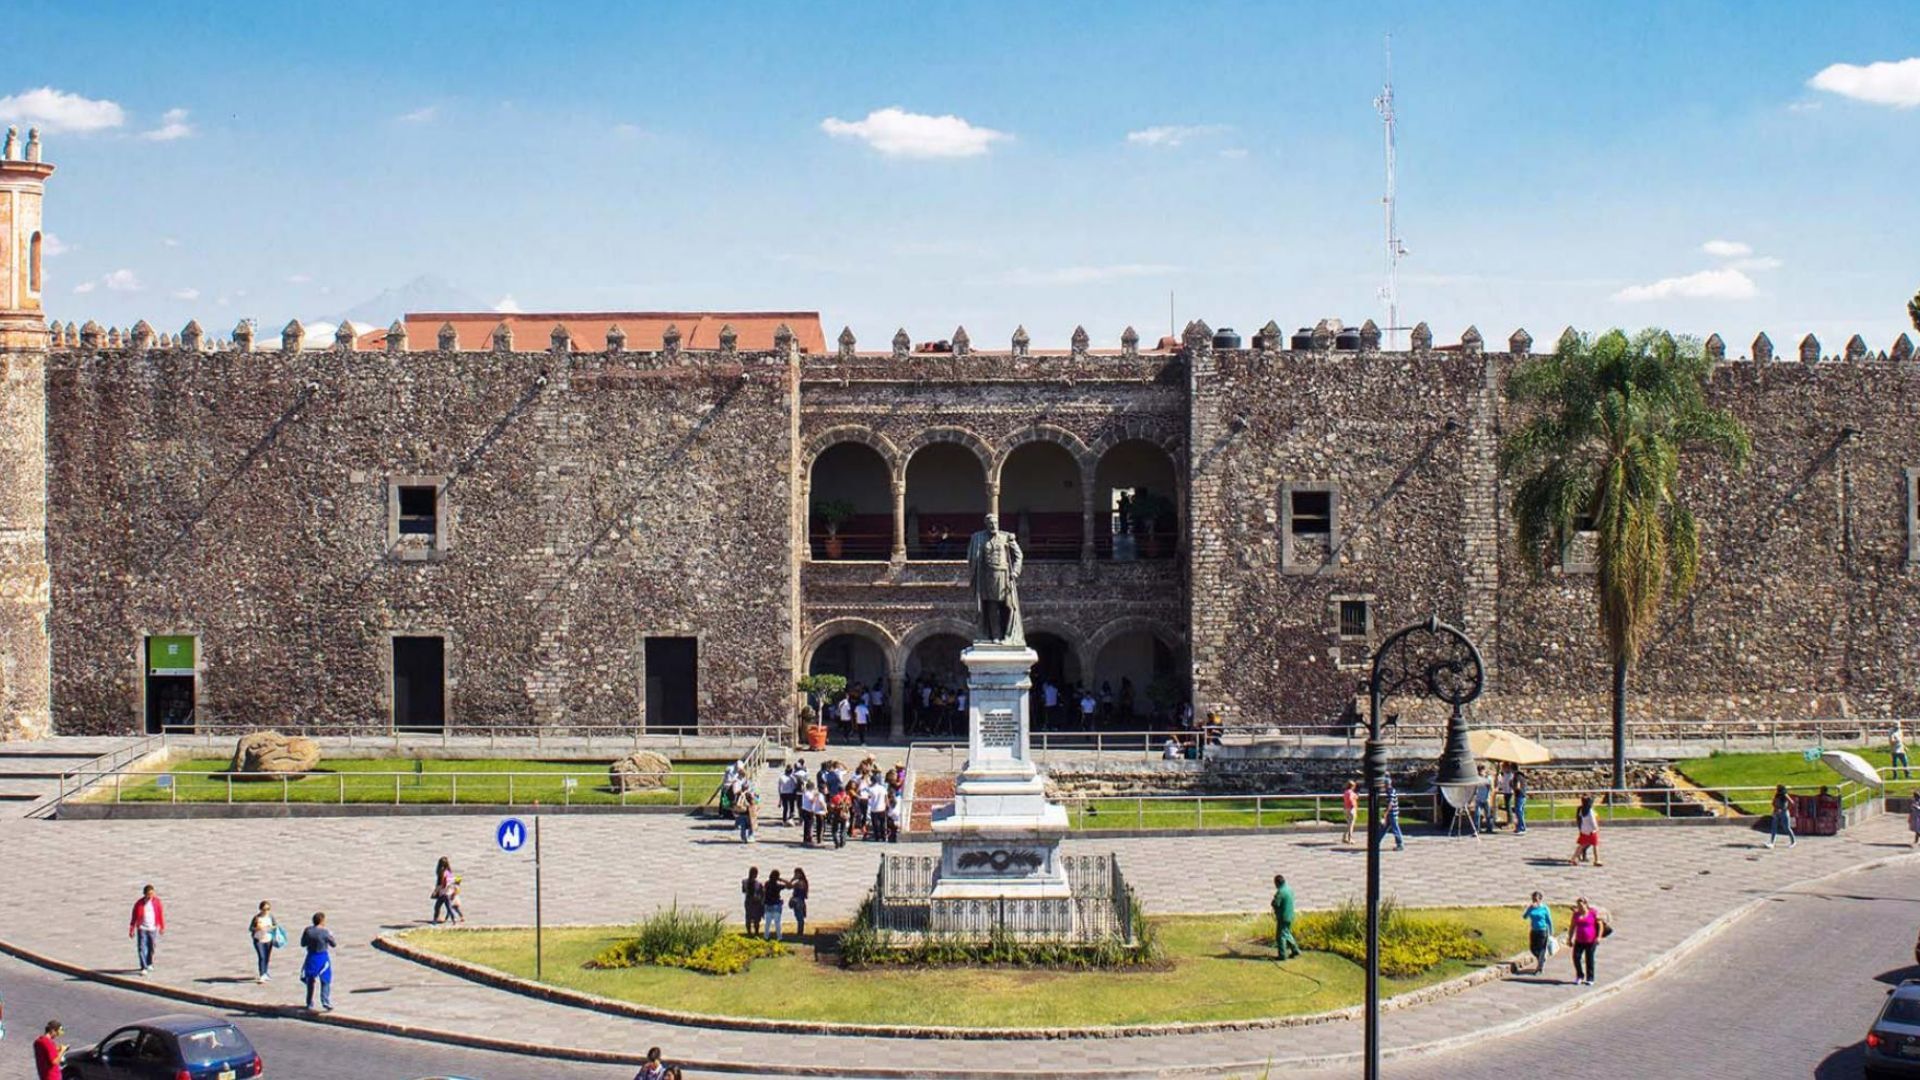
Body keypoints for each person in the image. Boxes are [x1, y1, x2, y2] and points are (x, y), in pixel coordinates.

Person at [300, 912, 338, 1011]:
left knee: (310, 980)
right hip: (322, 957)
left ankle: (309, 1003)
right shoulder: (325, 932)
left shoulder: (308, 931)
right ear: (322, 921)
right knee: (325, 979)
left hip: (311, 956)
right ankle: (325, 1001)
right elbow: (333, 944)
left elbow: (303, 943)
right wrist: (331, 935)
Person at [129, 883, 165, 975]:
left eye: (152, 894)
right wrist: (132, 928)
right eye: (149, 894)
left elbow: (160, 914)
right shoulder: (139, 904)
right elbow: (134, 917)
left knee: (151, 947)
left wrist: (162, 926)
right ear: (144, 894)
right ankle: (143, 966)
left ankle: (149, 962)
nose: (150, 896)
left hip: (152, 928)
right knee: (141, 947)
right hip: (142, 928)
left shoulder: (157, 902)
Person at [1567, 896, 1604, 986]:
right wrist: (1570, 938)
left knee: (1589, 959)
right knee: (1576, 957)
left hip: (1591, 941)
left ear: (1586, 905)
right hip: (1579, 940)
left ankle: (1590, 978)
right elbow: (1572, 927)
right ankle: (1580, 975)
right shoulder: (1576, 915)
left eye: (1581, 905)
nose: (1580, 907)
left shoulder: (1592, 913)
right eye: (1578, 905)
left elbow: (1600, 925)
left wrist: (1599, 937)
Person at [1521, 891, 1554, 975]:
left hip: (1542, 930)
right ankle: (1541, 959)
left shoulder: (1544, 908)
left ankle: (1539, 968)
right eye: (1533, 899)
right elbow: (1524, 917)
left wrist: (1551, 931)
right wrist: (1529, 909)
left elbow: (1549, 920)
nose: (1534, 901)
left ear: (1540, 899)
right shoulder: (1531, 907)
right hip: (1534, 930)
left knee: (1541, 949)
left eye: (1536, 899)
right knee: (1533, 948)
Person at [249, 900, 281, 983]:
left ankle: (265, 972)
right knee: (262, 956)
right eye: (264, 909)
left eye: (268, 909)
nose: (266, 911)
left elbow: (275, 925)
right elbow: (251, 928)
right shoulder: (257, 918)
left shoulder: (270, 917)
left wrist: (271, 927)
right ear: (260, 909)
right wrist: (257, 928)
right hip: (259, 940)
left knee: (267, 957)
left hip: (268, 939)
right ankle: (262, 974)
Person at [1270, 873, 1299, 960]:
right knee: (1287, 933)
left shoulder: (1281, 892)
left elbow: (1276, 903)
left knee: (1281, 936)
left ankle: (1282, 955)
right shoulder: (1289, 889)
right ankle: (1295, 950)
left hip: (1283, 917)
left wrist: (1273, 903)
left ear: (1277, 883)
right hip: (1290, 915)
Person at [1571, 795, 1602, 866]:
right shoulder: (1590, 812)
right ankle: (1597, 860)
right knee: (1595, 845)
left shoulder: (1581, 810)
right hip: (1591, 831)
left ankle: (1573, 858)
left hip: (1584, 831)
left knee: (1581, 845)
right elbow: (1593, 822)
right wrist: (1596, 828)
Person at [1766, 784, 1796, 849]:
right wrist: (1775, 808)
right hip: (1776, 812)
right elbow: (1773, 802)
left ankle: (1793, 842)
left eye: (1777, 788)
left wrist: (1784, 809)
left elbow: (1791, 802)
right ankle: (1772, 843)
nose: (1776, 790)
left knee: (1787, 828)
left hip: (1784, 813)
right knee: (1774, 827)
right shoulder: (1777, 795)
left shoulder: (1784, 794)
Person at [1379, 778, 1404, 851]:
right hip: (1392, 813)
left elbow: (1390, 803)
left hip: (1392, 813)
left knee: (1395, 829)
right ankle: (1376, 842)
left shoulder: (1390, 792)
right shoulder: (1392, 790)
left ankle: (1400, 844)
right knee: (1383, 829)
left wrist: (1385, 813)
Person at [762, 870, 787, 941]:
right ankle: (779, 937)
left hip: (768, 905)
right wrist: (781, 880)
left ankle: (766, 937)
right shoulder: (778, 886)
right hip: (776, 905)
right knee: (777, 923)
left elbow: (764, 894)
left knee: (768, 923)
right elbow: (790, 886)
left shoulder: (767, 884)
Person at [432, 856, 457, 924]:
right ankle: (453, 919)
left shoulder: (442, 872)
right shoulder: (449, 872)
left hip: (443, 893)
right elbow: (453, 882)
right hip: (448, 892)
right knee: (447, 907)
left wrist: (436, 891)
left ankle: (435, 920)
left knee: (438, 907)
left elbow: (441, 884)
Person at [741, 868, 764, 936]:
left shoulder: (744, 882)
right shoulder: (758, 884)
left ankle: (749, 933)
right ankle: (756, 932)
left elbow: (743, 891)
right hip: (755, 902)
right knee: (756, 918)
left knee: (749, 917)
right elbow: (761, 893)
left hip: (748, 901)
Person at [789, 868, 810, 937]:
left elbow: (789, 886)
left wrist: (792, 879)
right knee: (799, 917)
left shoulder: (800, 882)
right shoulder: (804, 882)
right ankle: (800, 932)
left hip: (798, 901)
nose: (795, 875)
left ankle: (800, 933)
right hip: (801, 901)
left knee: (799, 917)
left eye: (796, 874)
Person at [1496, 763, 1516, 829]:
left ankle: (1510, 822)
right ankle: (1509, 821)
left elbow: (1511, 783)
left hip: (1509, 792)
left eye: (1504, 767)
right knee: (1507, 807)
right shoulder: (1505, 774)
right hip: (1505, 791)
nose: (1503, 769)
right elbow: (1501, 782)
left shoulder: (1510, 775)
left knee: (1509, 807)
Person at [1512, 769, 1530, 834]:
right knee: (1520, 812)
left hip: (1519, 796)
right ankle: (1519, 827)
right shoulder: (1522, 776)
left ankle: (1522, 827)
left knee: (1519, 812)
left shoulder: (1517, 777)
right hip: (1522, 795)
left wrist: (1512, 786)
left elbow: (1518, 787)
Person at [1341, 779, 1359, 844]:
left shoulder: (1346, 792)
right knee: (1351, 825)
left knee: (1348, 824)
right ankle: (1350, 838)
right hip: (1351, 809)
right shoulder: (1351, 792)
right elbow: (1351, 799)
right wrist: (1353, 805)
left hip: (1346, 809)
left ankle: (1344, 837)